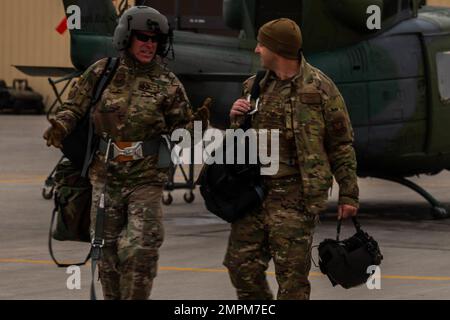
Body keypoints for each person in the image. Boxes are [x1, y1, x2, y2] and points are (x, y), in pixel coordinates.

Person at [43, 6, 208, 300]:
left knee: (140, 250)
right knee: (107, 256)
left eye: (155, 39)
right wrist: (61, 126)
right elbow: (74, 107)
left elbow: (184, 133)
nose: (149, 44)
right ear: (126, 38)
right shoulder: (102, 72)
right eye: (143, 37)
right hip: (105, 178)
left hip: (145, 179)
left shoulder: (168, 84)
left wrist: (198, 126)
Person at [225, 18, 359, 300]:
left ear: (278, 49)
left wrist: (349, 193)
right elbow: (240, 143)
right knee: (241, 267)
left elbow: (341, 144)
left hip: (296, 197)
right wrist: (236, 120)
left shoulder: (321, 88)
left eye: (262, 44)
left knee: (292, 280)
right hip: (254, 194)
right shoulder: (254, 86)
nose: (257, 50)